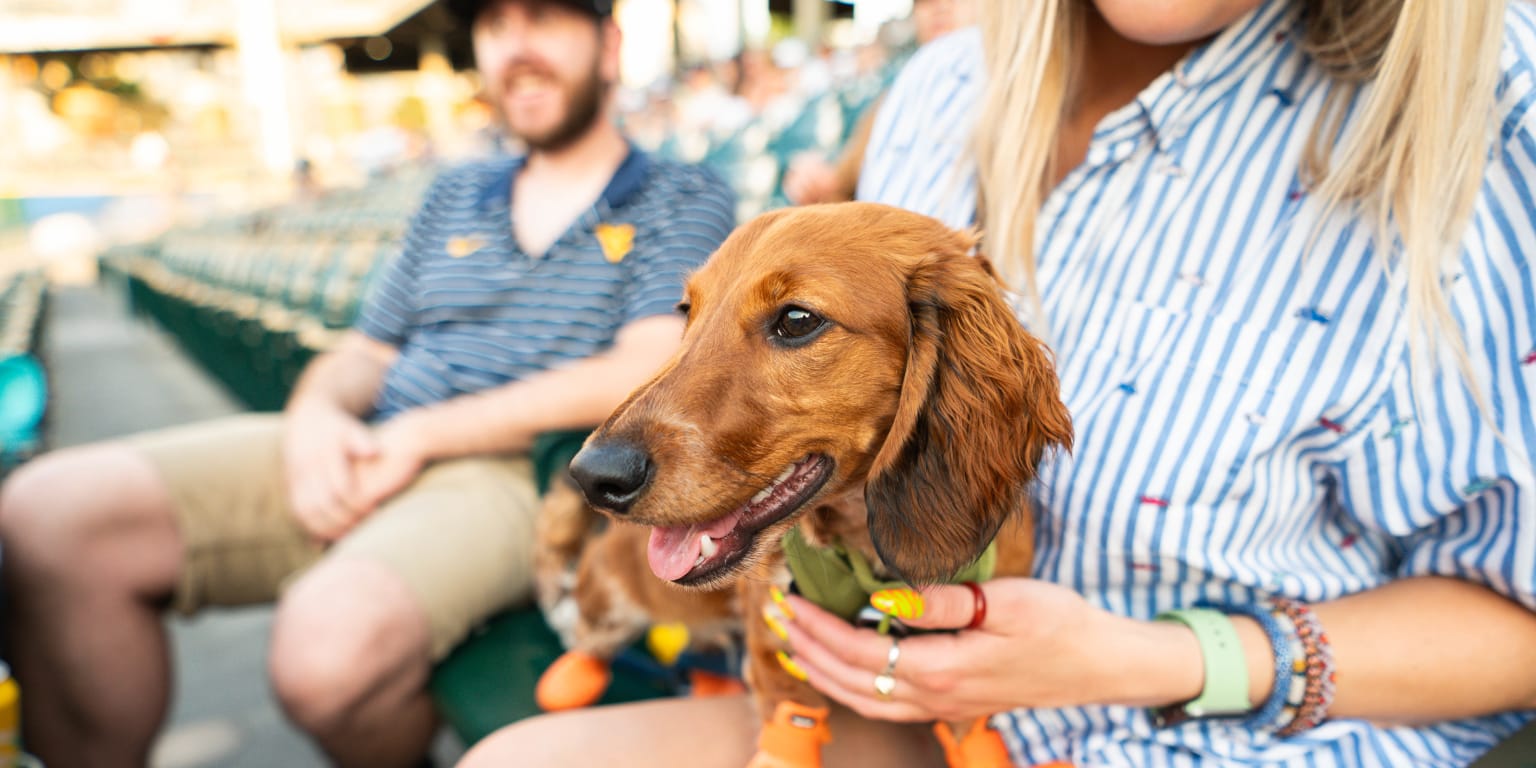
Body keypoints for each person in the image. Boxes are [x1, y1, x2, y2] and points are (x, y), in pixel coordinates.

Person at [460, 0, 1536, 765]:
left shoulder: (1496, 120)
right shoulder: (935, 92)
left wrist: (1151, 660)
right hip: (911, 713)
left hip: (1224, 742)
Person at [0, 0, 735, 765]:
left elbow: (647, 365)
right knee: (49, 516)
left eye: (545, 18)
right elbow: (364, 352)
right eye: (494, 26)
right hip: (376, 435)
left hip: (524, 472)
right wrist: (317, 416)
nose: (516, 49)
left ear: (609, 46)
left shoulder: (681, 193)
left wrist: (417, 437)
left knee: (324, 656)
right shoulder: (454, 192)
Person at [780, 0, 975, 207]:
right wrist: (816, 184)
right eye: (924, 1)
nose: (940, 6)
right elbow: (842, 185)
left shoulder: (998, 90)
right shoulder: (889, 95)